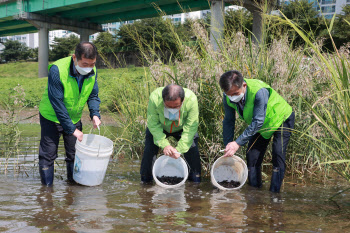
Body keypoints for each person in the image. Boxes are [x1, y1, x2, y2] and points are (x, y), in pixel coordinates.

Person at [219, 70, 295, 193]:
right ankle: (254, 192)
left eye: (235, 93)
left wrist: (237, 143)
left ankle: (274, 195)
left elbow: (258, 121)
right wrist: (228, 145)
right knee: (252, 155)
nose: (233, 97)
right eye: (229, 94)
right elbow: (228, 121)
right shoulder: (228, 96)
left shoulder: (259, 91)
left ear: (244, 85)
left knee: (277, 153)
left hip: (281, 119)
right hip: (260, 125)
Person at [38, 42, 101, 186]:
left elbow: (93, 95)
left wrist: (95, 114)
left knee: (75, 154)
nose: (89, 68)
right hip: (51, 117)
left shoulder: (93, 70)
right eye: (85, 64)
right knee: (48, 155)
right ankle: (47, 192)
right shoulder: (57, 70)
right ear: (74, 57)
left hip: (74, 117)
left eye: (92, 64)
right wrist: (72, 129)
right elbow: (57, 103)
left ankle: (72, 188)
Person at [140, 84, 201, 183]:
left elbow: (191, 127)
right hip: (160, 127)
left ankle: (195, 181)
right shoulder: (155, 98)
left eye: (176, 106)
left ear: (183, 100)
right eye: (168, 106)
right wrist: (165, 145)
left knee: (192, 151)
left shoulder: (191, 99)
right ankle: (146, 181)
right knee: (149, 151)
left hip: (182, 127)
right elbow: (153, 124)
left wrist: (179, 149)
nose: (172, 109)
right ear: (163, 100)